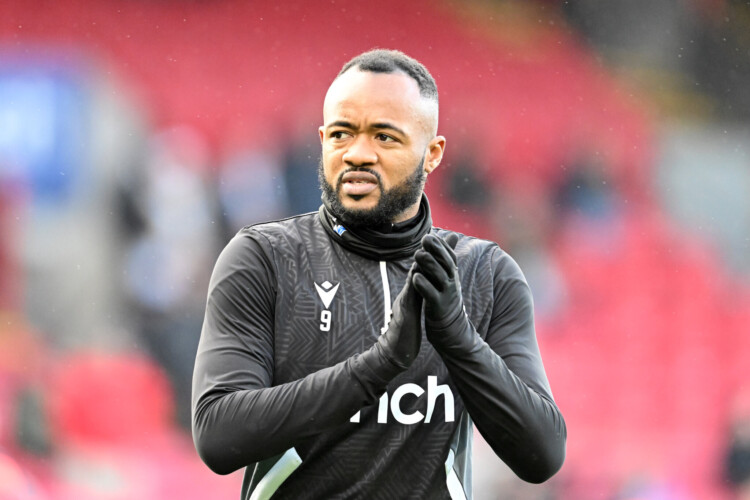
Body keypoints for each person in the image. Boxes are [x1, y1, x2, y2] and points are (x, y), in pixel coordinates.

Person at [192, 49, 566, 500]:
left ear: (432, 154)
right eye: (341, 134)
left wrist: (460, 340)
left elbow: (542, 455)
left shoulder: (484, 273)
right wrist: (379, 366)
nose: (357, 154)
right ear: (323, 140)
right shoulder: (264, 258)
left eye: (384, 137)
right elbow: (218, 435)